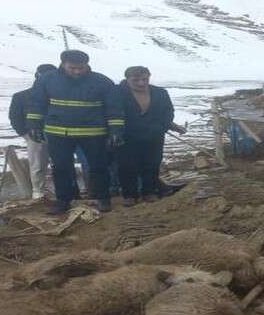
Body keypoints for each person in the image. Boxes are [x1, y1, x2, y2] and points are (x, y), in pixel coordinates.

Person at [26, 50, 123, 214]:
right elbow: (37, 104)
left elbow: (114, 108)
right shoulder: (47, 80)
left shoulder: (102, 81)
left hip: (94, 133)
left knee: (99, 167)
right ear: (63, 64)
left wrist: (116, 130)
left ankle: (103, 198)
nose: (77, 72)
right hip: (58, 133)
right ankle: (63, 200)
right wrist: (34, 125)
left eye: (81, 68)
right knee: (61, 168)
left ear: (87, 65)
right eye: (72, 68)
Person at [114, 66, 174, 205]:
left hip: (154, 135)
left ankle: (149, 192)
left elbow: (168, 112)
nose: (141, 83)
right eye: (136, 80)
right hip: (127, 136)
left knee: (152, 164)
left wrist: (161, 127)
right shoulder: (117, 93)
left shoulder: (160, 92)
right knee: (127, 165)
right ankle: (129, 195)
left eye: (144, 79)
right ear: (127, 79)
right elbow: (112, 111)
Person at [9, 64, 57, 200]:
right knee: (37, 165)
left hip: (60, 135)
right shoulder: (21, 96)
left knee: (62, 163)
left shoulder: (61, 95)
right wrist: (25, 134)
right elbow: (15, 117)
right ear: (37, 77)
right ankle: (38, 192)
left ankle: (66, 190)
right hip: (35, 136)